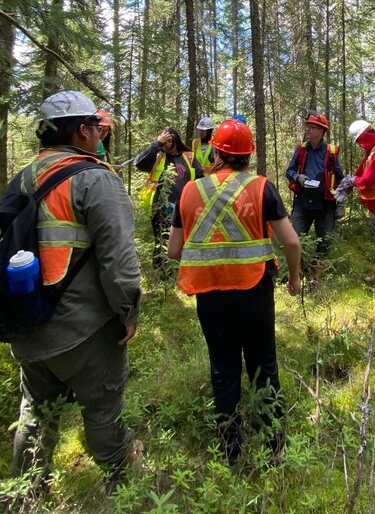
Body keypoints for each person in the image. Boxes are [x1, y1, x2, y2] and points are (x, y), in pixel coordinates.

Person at [3, 90, 141, 489]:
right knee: (102, 409)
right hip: (84, 328)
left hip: (27, 322)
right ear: (82, 131)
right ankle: (123, 485)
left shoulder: (24, 177)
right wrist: (128, 312)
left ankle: (25, 491)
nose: (101, 134)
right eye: (97, 127)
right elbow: (119, 260)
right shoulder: (96, 179)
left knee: (37, 414)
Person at [167, 119, 302, 463]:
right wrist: (295, 279)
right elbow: (291, 241)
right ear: (247, 155)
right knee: (264, 366)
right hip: (255, 293)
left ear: (216, 152)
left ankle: (230, 451)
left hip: (210, 296)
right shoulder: (262, 187)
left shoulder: (190, 191)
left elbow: (173, 250)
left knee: (223, 370)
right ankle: (274, 448)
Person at [339, 120, 375, 295]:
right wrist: (351, 180)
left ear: (364, 136)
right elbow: (361, 171)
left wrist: (353, 182)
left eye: (358, 141)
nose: (358, 145)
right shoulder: (373, 150)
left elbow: (370, 179)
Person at [134, 128, 203, 268]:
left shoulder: (188, 156)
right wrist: (157, 144)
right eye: (163, 142)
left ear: (176, 139)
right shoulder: (158, 157)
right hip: (160, 209)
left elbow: (201, 178)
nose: (166, 145)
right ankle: (161, 274)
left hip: (185, 209)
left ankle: (182, 270)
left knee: (185, 241)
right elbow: (139, 163)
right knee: (161, 242)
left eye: (169, 141)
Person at [285, 112, 344, 264]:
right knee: (294, 239)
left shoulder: (331, 152)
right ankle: (296, 271)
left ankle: (317, 272)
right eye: (308, 127)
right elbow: (289, 171)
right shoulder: (301, 150)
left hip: (325, 205)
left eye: (312, 127)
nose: (308, 130)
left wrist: (341, 203)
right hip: (302, 203)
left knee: (324, 242)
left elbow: (341, 179)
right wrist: (298, 177)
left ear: (321, 131)